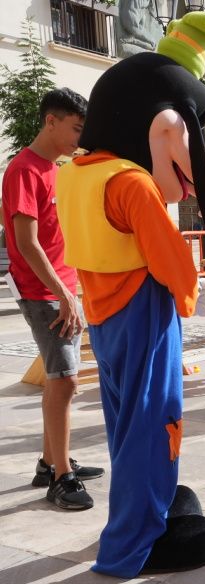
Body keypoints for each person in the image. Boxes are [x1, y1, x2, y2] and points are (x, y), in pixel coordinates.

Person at [1, 87, 104, 510]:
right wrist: (64, 294)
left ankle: (51, 461)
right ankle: (61, 478)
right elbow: (25, 243)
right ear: (51, 121)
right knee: (64, 381)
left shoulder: (58, 168)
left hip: (62, 286)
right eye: (76, 128)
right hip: (43, 290)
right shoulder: (24, 170)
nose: (79, 137)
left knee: (63, 378)